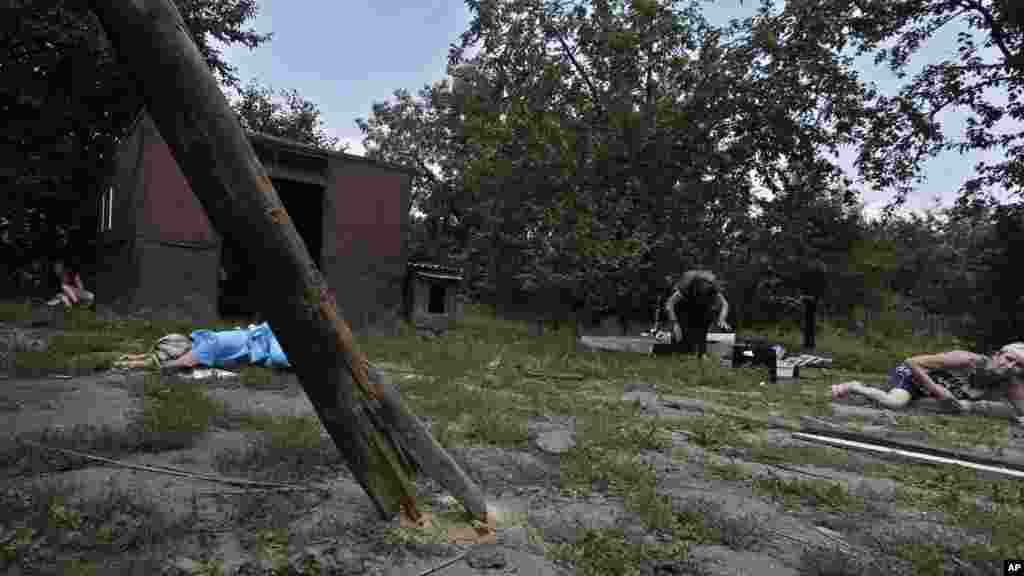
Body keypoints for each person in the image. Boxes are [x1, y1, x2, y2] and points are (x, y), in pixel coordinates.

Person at [831, 342, 1024, 423]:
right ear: (998, 354)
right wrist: (936, 389)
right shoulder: (967, 360)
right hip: (913, 376)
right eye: (1009, 358)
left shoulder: (1010, 383)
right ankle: (854, 386)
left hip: (930, 393)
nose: (1010, 366)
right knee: (894, 403)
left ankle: (873, 392)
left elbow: (1021, 409)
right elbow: (912, 361)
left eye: (1018, 365)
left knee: (954, 409)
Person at [664, 270, 732, 357]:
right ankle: (678, 346)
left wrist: (722, 319)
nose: (707, 286)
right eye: (705, 284)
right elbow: (670, 303)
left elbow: (724, 304)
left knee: (706, 317)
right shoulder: (687, 287)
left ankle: (702, 353)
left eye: (709, 284)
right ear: (698, 283)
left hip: (701, 311)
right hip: (682, 310)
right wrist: (675, 324)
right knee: (683, 341)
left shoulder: (712, 289)